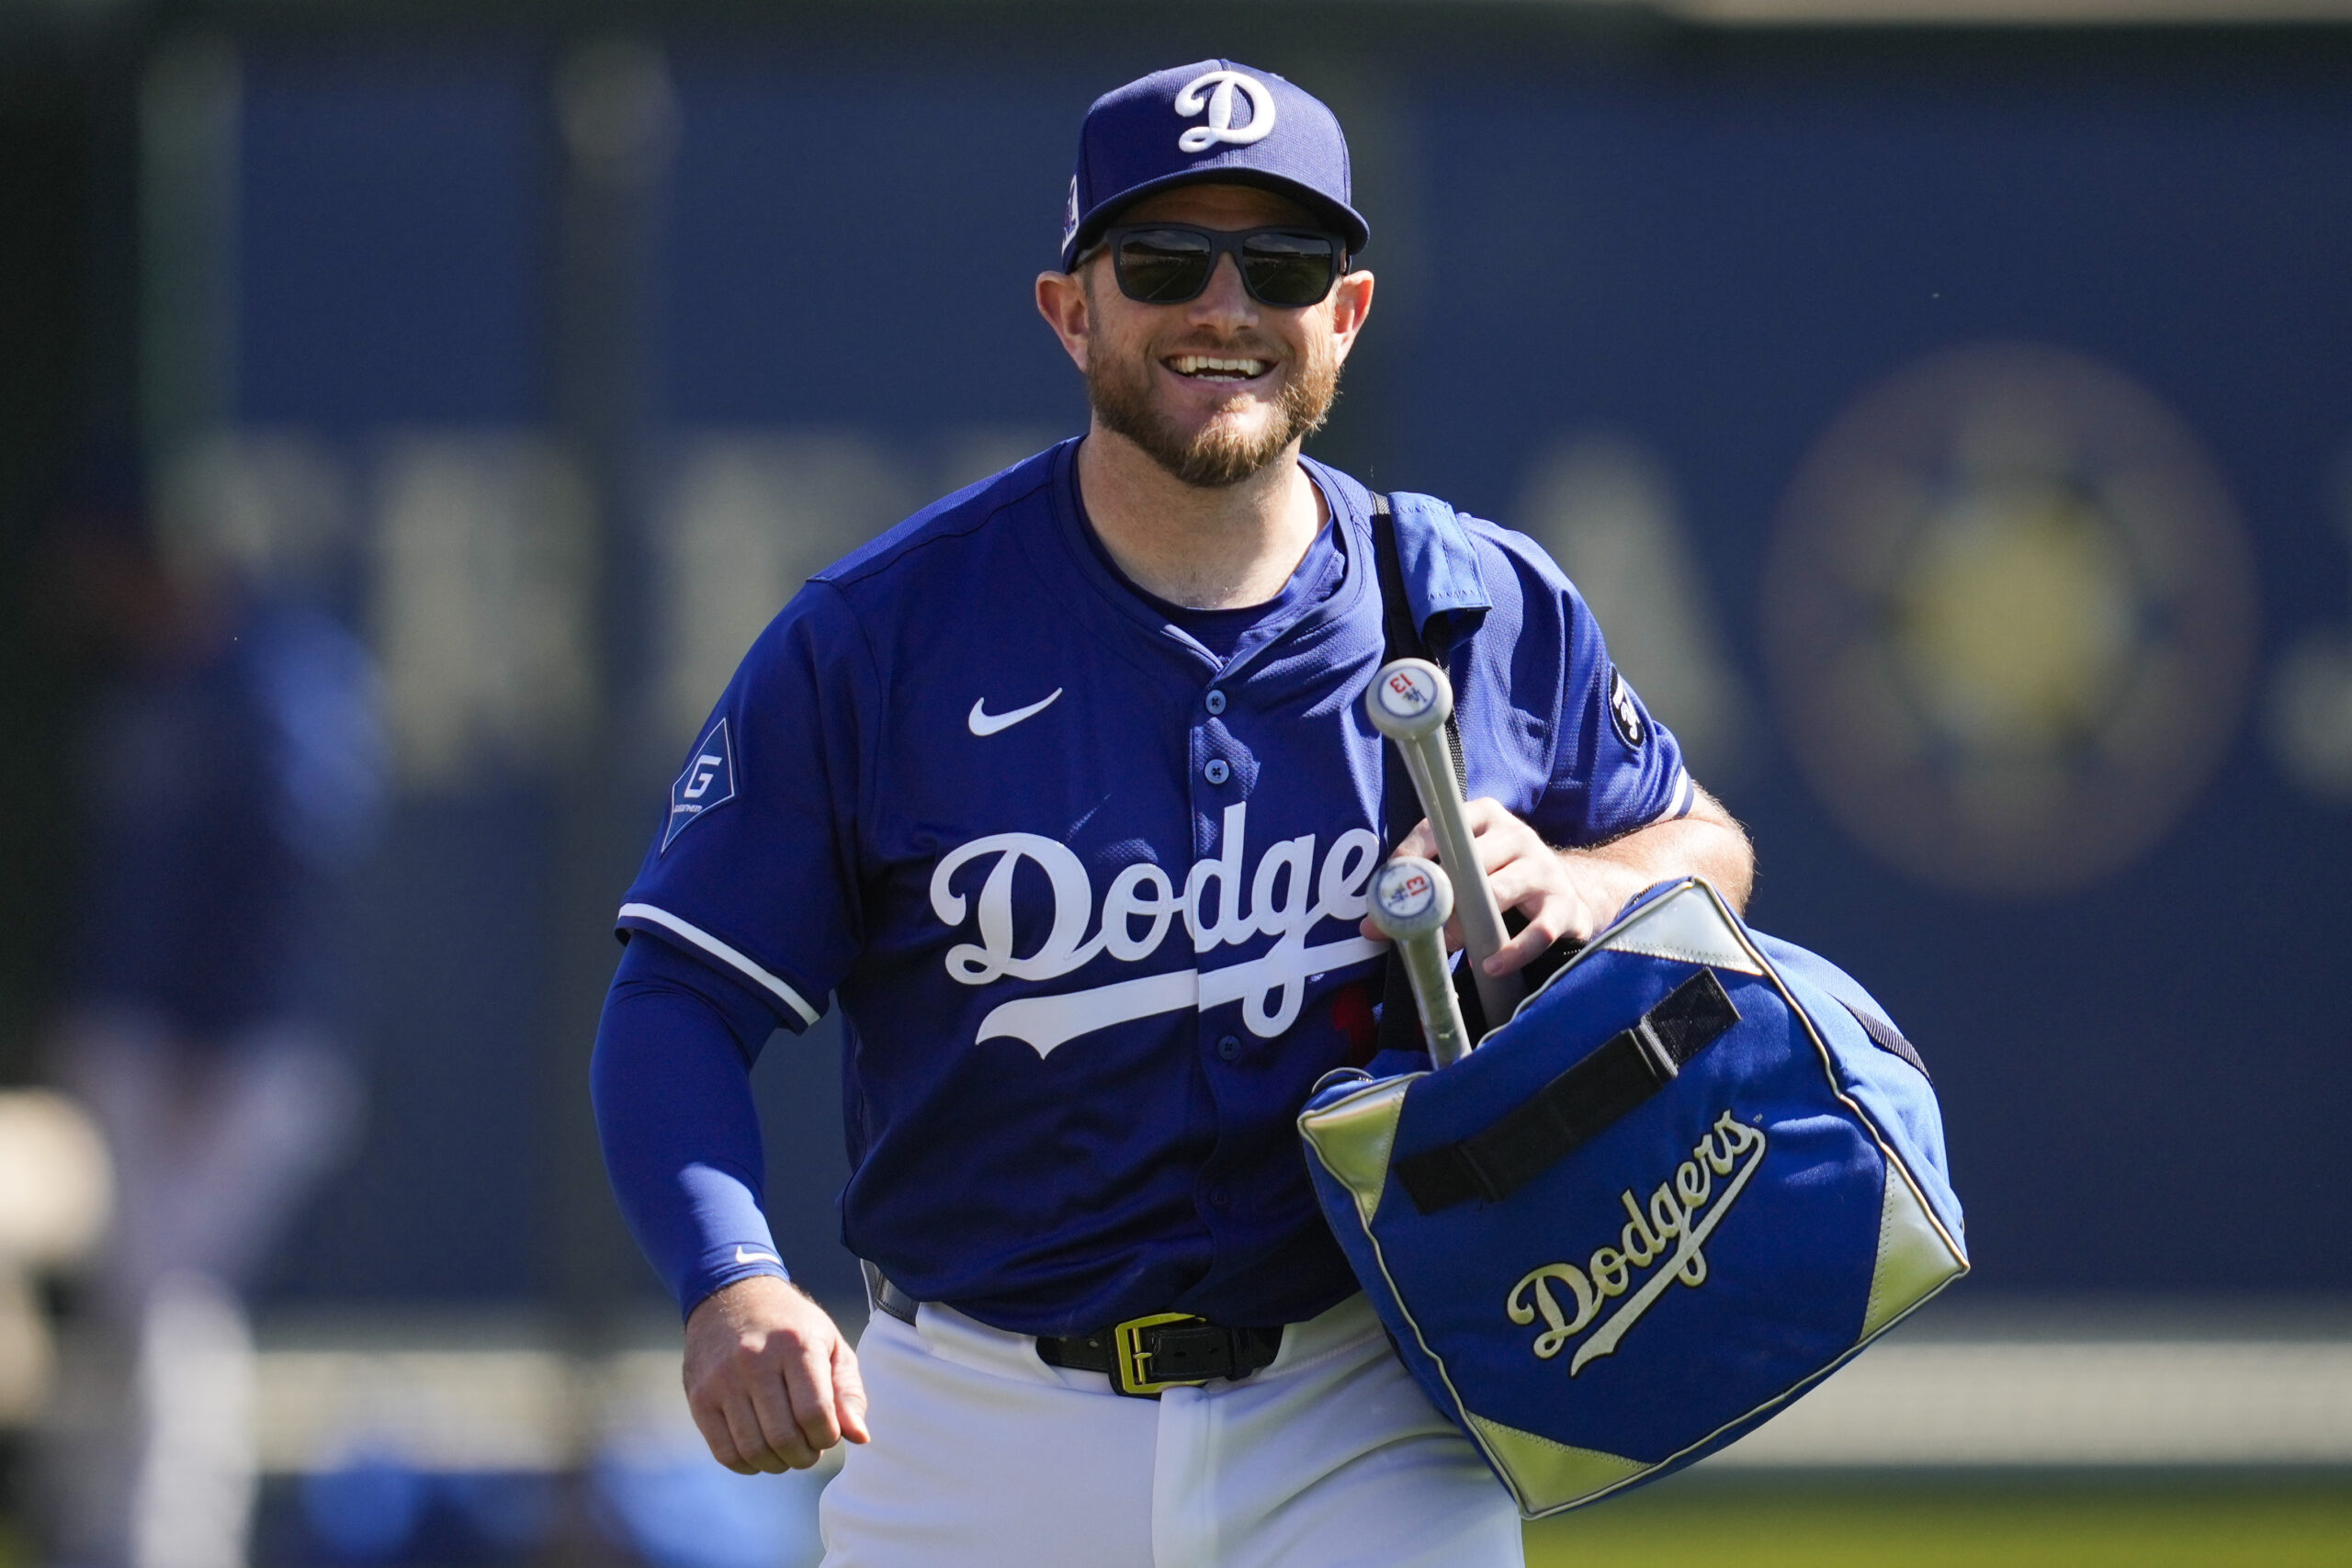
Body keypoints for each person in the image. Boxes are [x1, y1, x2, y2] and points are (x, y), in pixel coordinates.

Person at [592, 60, 1753, 1567]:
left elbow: (1706, 847)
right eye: (1161, 262)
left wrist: (1601, 881)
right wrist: (730, 1282)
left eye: (1281, 264)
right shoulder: (880, 638)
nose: (1225, 305)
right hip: (976, 1421)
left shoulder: (1480, 604)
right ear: (1070, 312)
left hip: (1372, 1408)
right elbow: (678, 993)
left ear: (1347, 314)